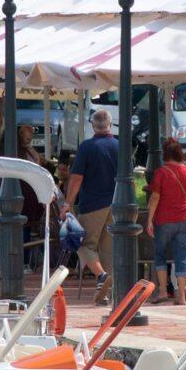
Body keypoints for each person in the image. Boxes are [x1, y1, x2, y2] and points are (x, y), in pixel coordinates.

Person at [66, 109, 120, 303]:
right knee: (108, 251)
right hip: (116, 204)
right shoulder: (119, 146)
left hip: (92, 205)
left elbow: (77, 178)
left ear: (92, 126)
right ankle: (108, 294)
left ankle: (102, 276)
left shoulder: (87, 147)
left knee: (80, 243)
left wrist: (68, 202)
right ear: (110, 125)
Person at [145, 137, 186, 305]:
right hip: (185, 218)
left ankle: (162, 292)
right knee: (183, 256)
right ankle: (181, 295)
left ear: (165, 153)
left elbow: (155, 197)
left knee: (160, 254)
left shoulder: (161, 172)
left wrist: (149, 220)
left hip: (164, 219)